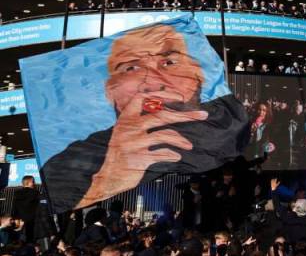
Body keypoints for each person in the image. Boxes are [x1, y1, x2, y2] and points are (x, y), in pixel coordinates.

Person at [39, 22, 250, 211]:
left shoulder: (228, 136)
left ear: (199, 76)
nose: (153, 83)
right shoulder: (68, 164)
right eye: (131, 68)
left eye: (169, 62)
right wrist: (108, 179)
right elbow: (59, 200)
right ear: (110, 90)